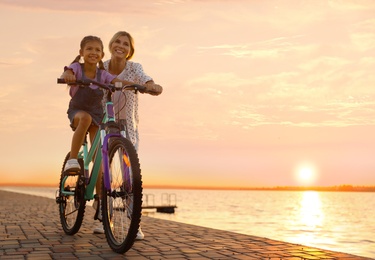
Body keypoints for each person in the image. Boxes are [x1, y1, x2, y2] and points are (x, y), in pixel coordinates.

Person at [91, 31, 163, 238]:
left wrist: (150, 86)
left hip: (127, 125)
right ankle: (105, 217)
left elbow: (145, 79)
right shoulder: (101, 67)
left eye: (126, 44)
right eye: (117, 42)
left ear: (130, 51)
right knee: (103, 167)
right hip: (105, 120)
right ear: (111, 44)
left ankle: (134, 222)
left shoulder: (134, 68)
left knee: (129, 172)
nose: (121, 46)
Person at [60, 35, 133, 227]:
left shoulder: (103, 74)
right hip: (78, 111)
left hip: (96, 114)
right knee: (84, 119)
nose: (93, 52)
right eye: (89, 49)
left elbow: (117, 81)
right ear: (81, 53)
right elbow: (68, 71)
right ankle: (73, 159)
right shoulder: (77, 68)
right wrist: (68, 76)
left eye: (97, 50)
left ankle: (101, 200)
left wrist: (135, 86)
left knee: (99, 158)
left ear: (102, 54)